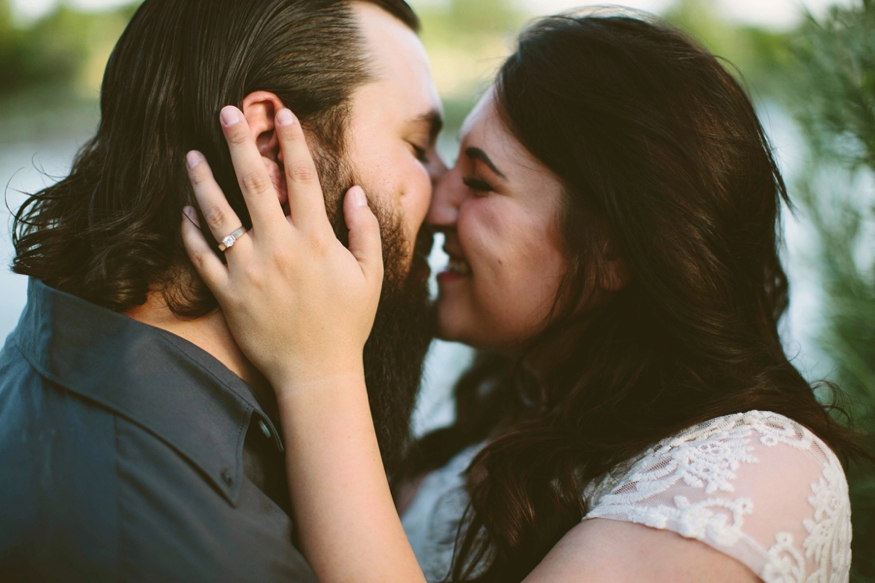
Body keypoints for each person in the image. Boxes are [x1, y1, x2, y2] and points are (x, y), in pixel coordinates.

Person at [181, 8, 867, 583]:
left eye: (479, 184)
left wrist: (317, 371)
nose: (436, 205)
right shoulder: (501, 425)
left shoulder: (755, 476)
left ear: (613, 252)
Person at [0, 0, 446, 580]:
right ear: (271, 148)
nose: (450, 199)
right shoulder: (193, 549)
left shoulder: (56, 344)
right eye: (418, 148)